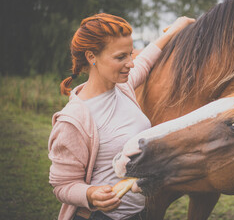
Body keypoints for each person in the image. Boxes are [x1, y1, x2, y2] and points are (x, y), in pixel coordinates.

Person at [48, 13, 195, 220]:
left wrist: (174, 29)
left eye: (130, 54)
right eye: (120, 57)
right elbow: (62, 185)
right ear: (92, 57)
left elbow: (144, 60)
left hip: (140, 214)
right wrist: (90, 194)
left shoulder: (123, 87)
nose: (130, 63)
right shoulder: (73, 121)